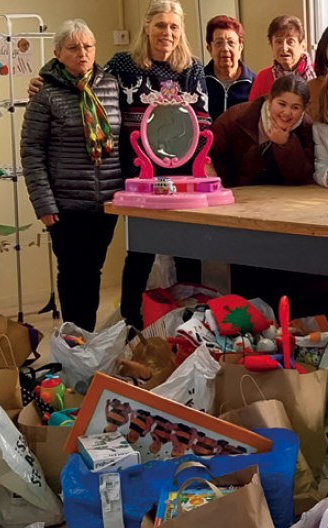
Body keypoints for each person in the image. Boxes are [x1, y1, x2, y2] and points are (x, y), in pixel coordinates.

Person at [106, 0, 209, 329]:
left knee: (187, 248)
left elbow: (203, 121)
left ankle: (190, 322)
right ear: (147, 26)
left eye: (174, 26)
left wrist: (195, 170)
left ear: (181, 31)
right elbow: (92, 95)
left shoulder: (191, 68)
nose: (167, 32)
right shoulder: (122, 64)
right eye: (161, 25)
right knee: (140, 250)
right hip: (137, 173)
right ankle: (130, 321)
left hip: (180, 175)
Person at [20, 19, 121, 332]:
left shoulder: (109, 84)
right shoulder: (45, 94)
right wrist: (44, 205)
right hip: (64, 205)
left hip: (106, 201)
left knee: (93, 272)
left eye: (88, 46)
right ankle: (75, 341)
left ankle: (87, 339)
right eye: (74, 47)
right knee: (73, 273)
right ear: (57, 54)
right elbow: (31, 152)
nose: (83, 53)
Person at [210, 73, 314, 187]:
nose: (287, 112)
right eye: (282, 104)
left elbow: (301, 176)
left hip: (279, 196)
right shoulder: (235, 118)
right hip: (234, 191)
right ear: (270, 101)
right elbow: (213, 157)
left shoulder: (306, 127)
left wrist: (285, 144)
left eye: (295, 107)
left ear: (303, 109)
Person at [248, 15, 315, 100]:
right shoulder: (263, 77)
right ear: (271, 46)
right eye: (278, 42)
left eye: (290, 42)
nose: (284, 48)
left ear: (303, 45)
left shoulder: (318, 73)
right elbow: (252, 111)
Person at [204, 15, 256, 121]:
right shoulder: (199, 82)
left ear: (240, 48)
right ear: (209, 49)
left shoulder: (254, 82)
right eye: (219, 43)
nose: (225, 48)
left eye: (231, 43)